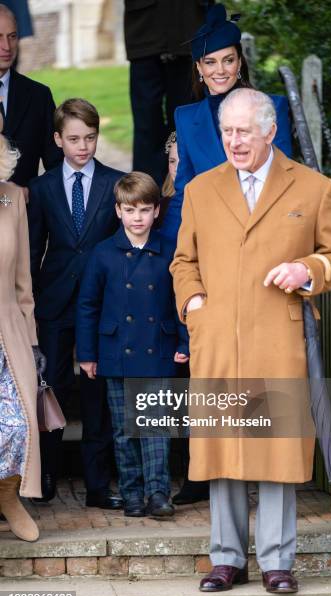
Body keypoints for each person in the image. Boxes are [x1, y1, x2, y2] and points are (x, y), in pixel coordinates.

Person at [170, 88, 331, 594]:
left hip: (278, 337)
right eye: (227, 132)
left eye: (243, 131)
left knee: (274, 450)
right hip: (218, 341)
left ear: (270, 131)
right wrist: (194, 306)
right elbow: (183, 262)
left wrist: (307, 268)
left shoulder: (313, 187)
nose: (233, 141)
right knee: (224, 451)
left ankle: (277, 562)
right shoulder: (200, 190)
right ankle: (227, 559)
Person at [27, 98, 124, 509]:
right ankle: (45, 477)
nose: (83, 147)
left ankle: (98, 486)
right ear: (57, 140)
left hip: (101, 303)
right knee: (49, 387)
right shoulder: (42, 187)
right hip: (53, 302)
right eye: (73, 139)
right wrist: (27, 307)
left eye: (90, 137)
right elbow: (32, 253)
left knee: (96, 392)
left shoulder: (115, 182)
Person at [76, 172, 189, 518]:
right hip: (115, 352)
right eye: (130, 210)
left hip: (158, 348)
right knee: (125, 431)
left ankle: (158, 494)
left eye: (144, 210)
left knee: (156, 428)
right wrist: (87, 354)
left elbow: (181, 299)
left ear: (157, 211)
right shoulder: (103, 253)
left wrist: (184, 341)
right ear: (118, 211)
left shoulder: (170, 250)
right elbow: (87, 305)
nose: (137, 217)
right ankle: (132, 494)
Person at [160, 3, 293, 242]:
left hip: (264, 236)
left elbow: (284, 178)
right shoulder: (186, 118)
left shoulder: (274, 107)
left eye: (228, 60)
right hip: (210, 239)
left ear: (239, 63)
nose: (219, 70)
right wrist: (160, 250)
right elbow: (184, 192)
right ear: (199, 67)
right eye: (210, 62)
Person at [0, 118, 45, 541]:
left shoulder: (13, 198)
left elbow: (23, 283)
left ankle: (9, 496)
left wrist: (32, 342)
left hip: (8, 330)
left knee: (18, 422)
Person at [124, 0, 214, 187]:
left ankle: (193, 194)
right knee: (146, 126)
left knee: (189, 124)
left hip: (190, 29)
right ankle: (144, 201)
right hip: (144, 31)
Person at [0, 4, 62, 191]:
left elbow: (58, 166)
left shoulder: (39, 96)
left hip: (25, 215)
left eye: (12, 37)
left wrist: (32, 192)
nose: (7, 46)